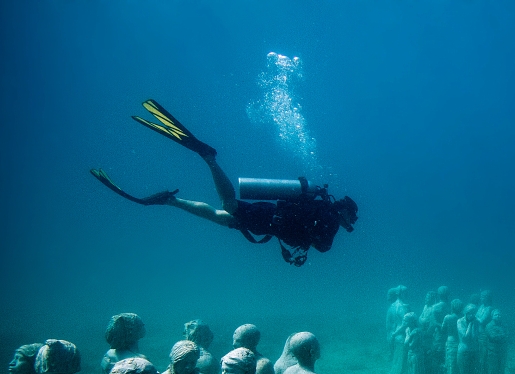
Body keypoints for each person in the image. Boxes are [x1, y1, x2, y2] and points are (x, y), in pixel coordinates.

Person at [91, 99, 358, 266]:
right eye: (351, 218)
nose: (350, 223)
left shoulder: (324, 211)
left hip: (269, 219)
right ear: (345, 211)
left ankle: (172, 200)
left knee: (222, 217)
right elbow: (323, 247)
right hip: (269, 217)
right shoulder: (330, 218)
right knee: (228, 206)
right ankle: (209, 158)